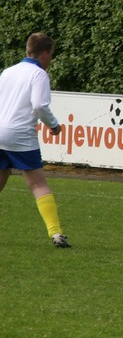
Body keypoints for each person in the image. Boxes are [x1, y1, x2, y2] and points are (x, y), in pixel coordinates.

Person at [0, 33, 71, 248]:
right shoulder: (38, 74)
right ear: (45, 54)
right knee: (38, 184)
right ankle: (56, 233)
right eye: (51, 55)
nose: (51, 60)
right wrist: (54, 125)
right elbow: (39, 105)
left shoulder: (8, 71)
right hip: (20, 134)